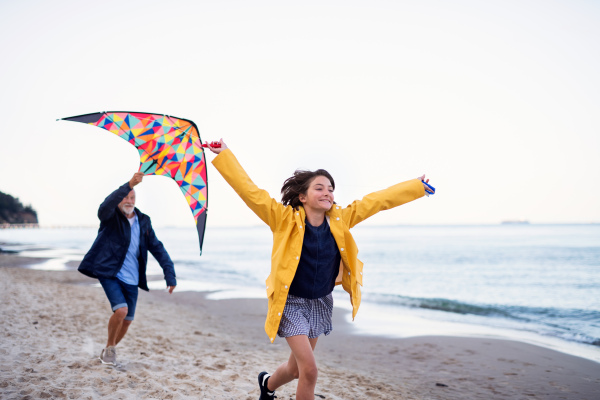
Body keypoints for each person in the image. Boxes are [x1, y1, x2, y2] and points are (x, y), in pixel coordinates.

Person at [206, 140, 433, 400]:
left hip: (320, 302)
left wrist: (415, 187)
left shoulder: (341, 220)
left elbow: (376, 201)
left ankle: (267, 386)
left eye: (331, 189)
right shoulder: (283, 219)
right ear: (303, 197)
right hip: (290, 303)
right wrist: (225, 156)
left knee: (294, 370)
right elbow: (250, 192)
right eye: (319, 188)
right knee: (310, 371)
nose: (328, 193)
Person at [78, 172, 177, 366]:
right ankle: (110, 347)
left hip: (132, 277)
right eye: (125, 197)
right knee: (121, 311)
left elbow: (157, 248)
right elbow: (103, 207)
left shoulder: (143, 221)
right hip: (110, 273)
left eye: (132, 197)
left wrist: (170, 275)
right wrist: (129, 184)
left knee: (128, 320)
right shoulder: (111, 217)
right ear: (119, 198)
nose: (129, 200)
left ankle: (109, 349)